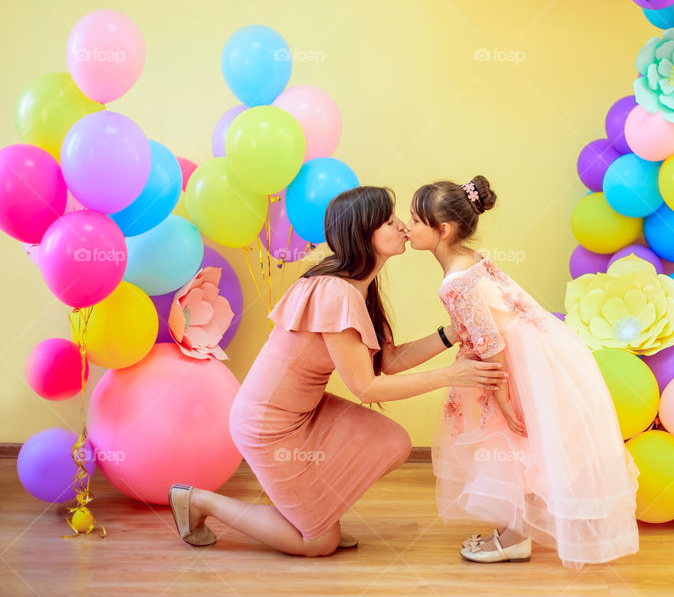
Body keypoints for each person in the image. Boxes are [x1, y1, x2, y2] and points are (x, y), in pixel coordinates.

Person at [168, 186, 506, 557]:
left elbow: (388, 362)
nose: (402, 226)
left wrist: (451, 333)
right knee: (318, 544)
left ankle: (312, 512)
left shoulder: (360, 288)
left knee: (392, 441)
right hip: (267, 425)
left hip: (305, 412)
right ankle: (199, 502)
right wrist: (449, 376)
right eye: (390, 221)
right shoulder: (336, 293)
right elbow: (368, 388)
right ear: (364, 234)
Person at [406, 176, 640, 567]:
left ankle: (516, 538)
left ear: (441, 230)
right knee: (524, 447)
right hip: (539, 346)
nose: (407, 227)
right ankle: (515, 531)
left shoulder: (454, 283)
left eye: (415, 221)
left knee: (514, 443)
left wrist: (501, 396)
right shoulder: (473, 260)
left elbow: (490, 343)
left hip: (510, 362)